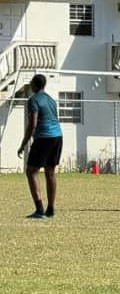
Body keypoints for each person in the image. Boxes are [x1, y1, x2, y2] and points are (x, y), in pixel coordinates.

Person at [18, 74, 63, 219]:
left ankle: (39, 209)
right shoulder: (51, 100)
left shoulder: (33, 100)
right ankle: (50, 209)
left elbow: (33, 124)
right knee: (50, 172)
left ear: (34, 85)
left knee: (31, 171)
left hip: (44, 137)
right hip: (57, 136)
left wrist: (23, 143)